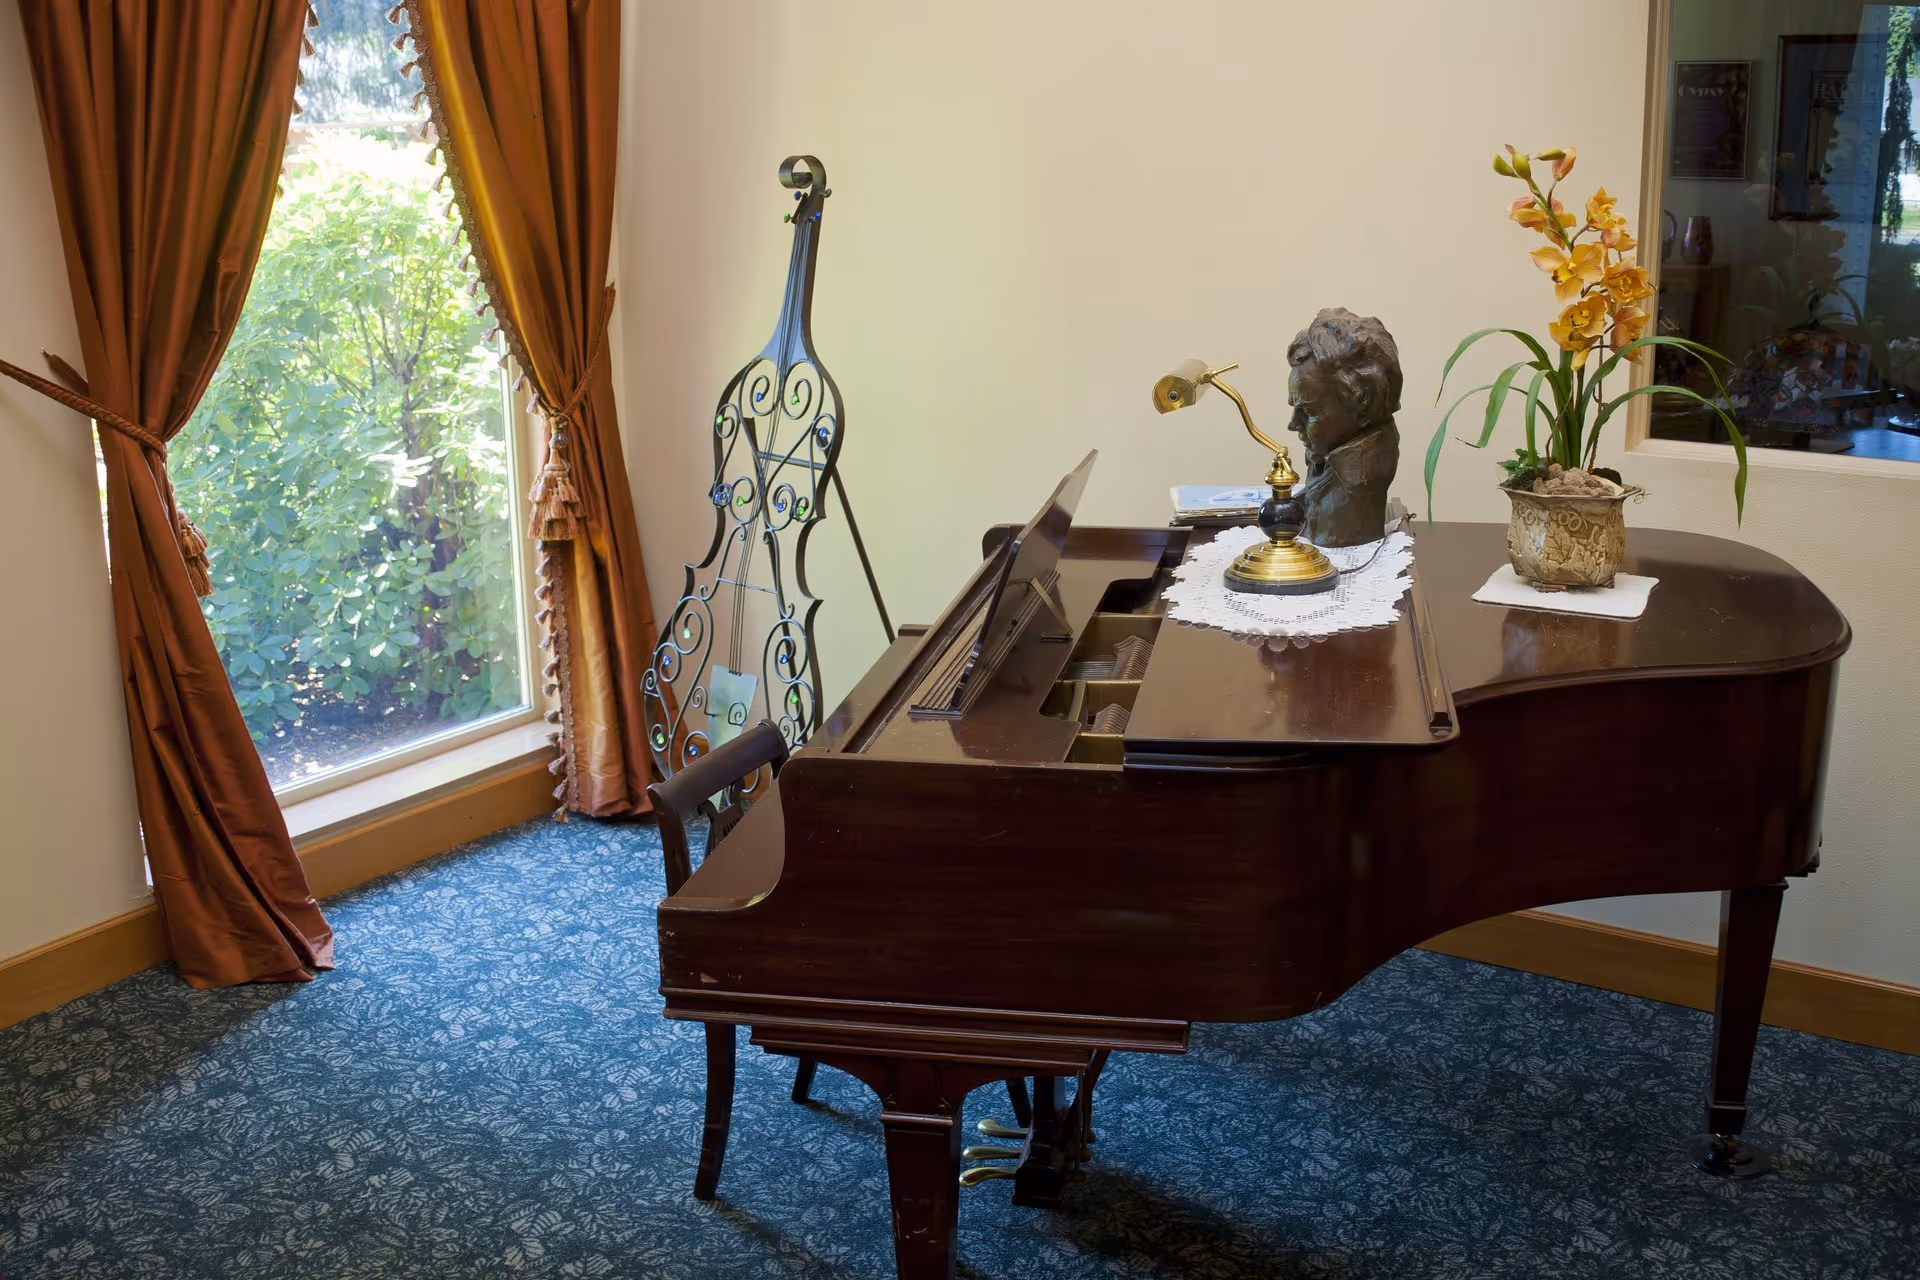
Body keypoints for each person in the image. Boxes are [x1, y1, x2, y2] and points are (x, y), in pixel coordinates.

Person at [1285, 307, 1402, 547]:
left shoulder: (1358, 484)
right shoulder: (1325, 460)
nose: (1293, 425)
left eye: (1309, 412)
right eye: (1294, 408)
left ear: (1361, 405)